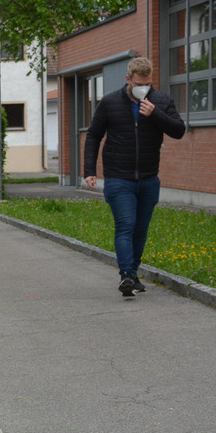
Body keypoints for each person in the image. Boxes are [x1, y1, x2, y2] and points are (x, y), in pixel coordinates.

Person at [83, 57, 185, 297]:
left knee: (140, 229)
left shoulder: (160, 101)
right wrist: (89, 169)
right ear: (128, 79)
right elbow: (93, 135)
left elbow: (178, 130)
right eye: (140, 83)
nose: (144, 88)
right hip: (119, 177)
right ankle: (126, 275)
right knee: (125, 225)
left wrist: (155, 113)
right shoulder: (109, 102)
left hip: (149, 177)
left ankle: (133, 273)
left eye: (148, 83)